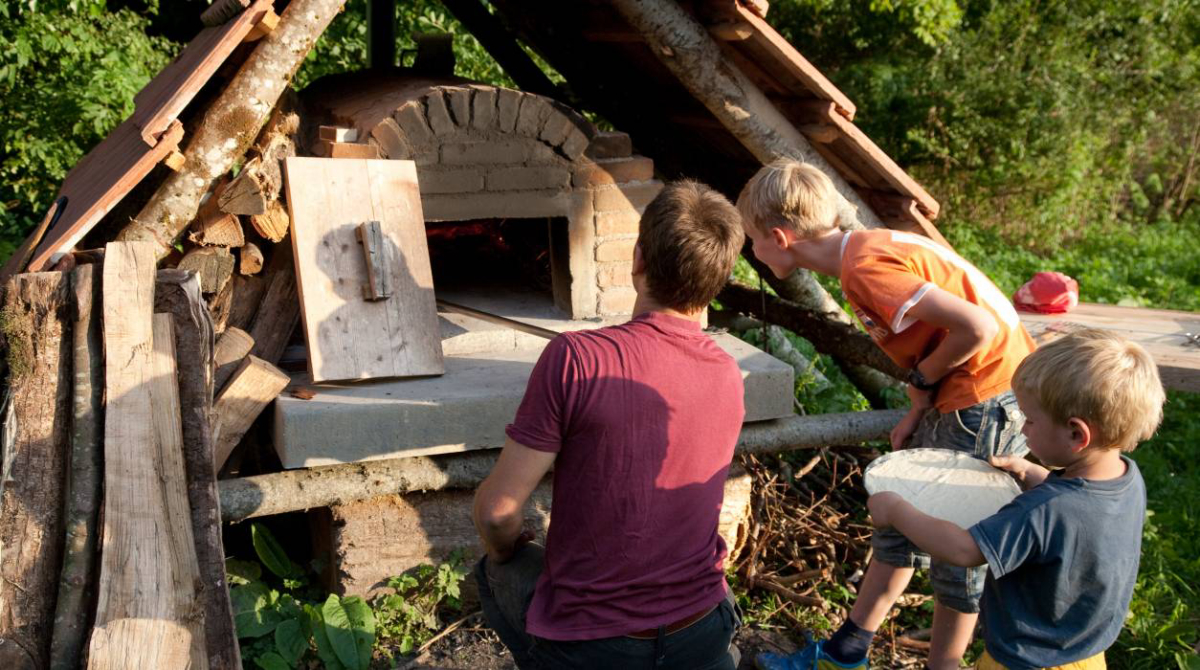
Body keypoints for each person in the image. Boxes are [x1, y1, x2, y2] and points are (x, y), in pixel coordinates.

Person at [740, 160, 1036, 670]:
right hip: (964, 395)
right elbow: (939, 339)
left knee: (956, 550)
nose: (751, 250)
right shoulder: (867, 247)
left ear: (779, 236)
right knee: (899, 515)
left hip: (987, 399)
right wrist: (919, 407)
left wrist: (921, 381)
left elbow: (977, 328)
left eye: (752, 238)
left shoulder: (865, 271)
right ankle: (846, 652)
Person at [472, 180, 747, 669]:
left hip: (595, 646)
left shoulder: (576, 358)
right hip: (702, 628)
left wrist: (507, 548)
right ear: (719, 277)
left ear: (637, 258)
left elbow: (498, 513)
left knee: (498, 569)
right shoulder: (729, 373)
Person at [868, 329, 1165, 669]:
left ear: (1076, 433)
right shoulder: (1126, 478)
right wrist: (1030, 473)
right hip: (1084, 655)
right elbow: (1080, 515)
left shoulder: (1043, 510)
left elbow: (964, 549)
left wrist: (896, 509)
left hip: (1022, 660)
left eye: (1031, 420)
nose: (1022, 430)